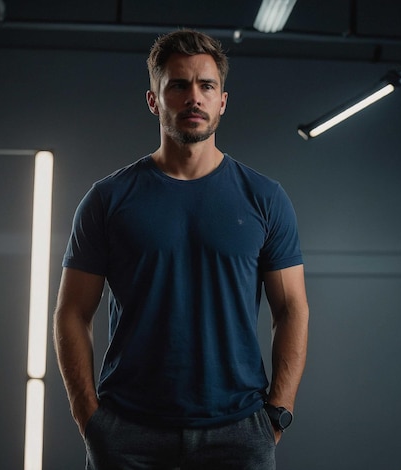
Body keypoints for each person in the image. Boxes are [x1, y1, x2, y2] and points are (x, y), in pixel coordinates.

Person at [53, 29, 309, 470]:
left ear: (222, 101)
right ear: (154, 100)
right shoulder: (108, 200)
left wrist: (278, 413)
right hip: (128, 433)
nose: (194, 97)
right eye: (178, 84)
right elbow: (71, 313)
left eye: (206, 85)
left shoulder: (264, 198)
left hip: (240, 432)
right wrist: (89, 417)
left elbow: (292, 309)